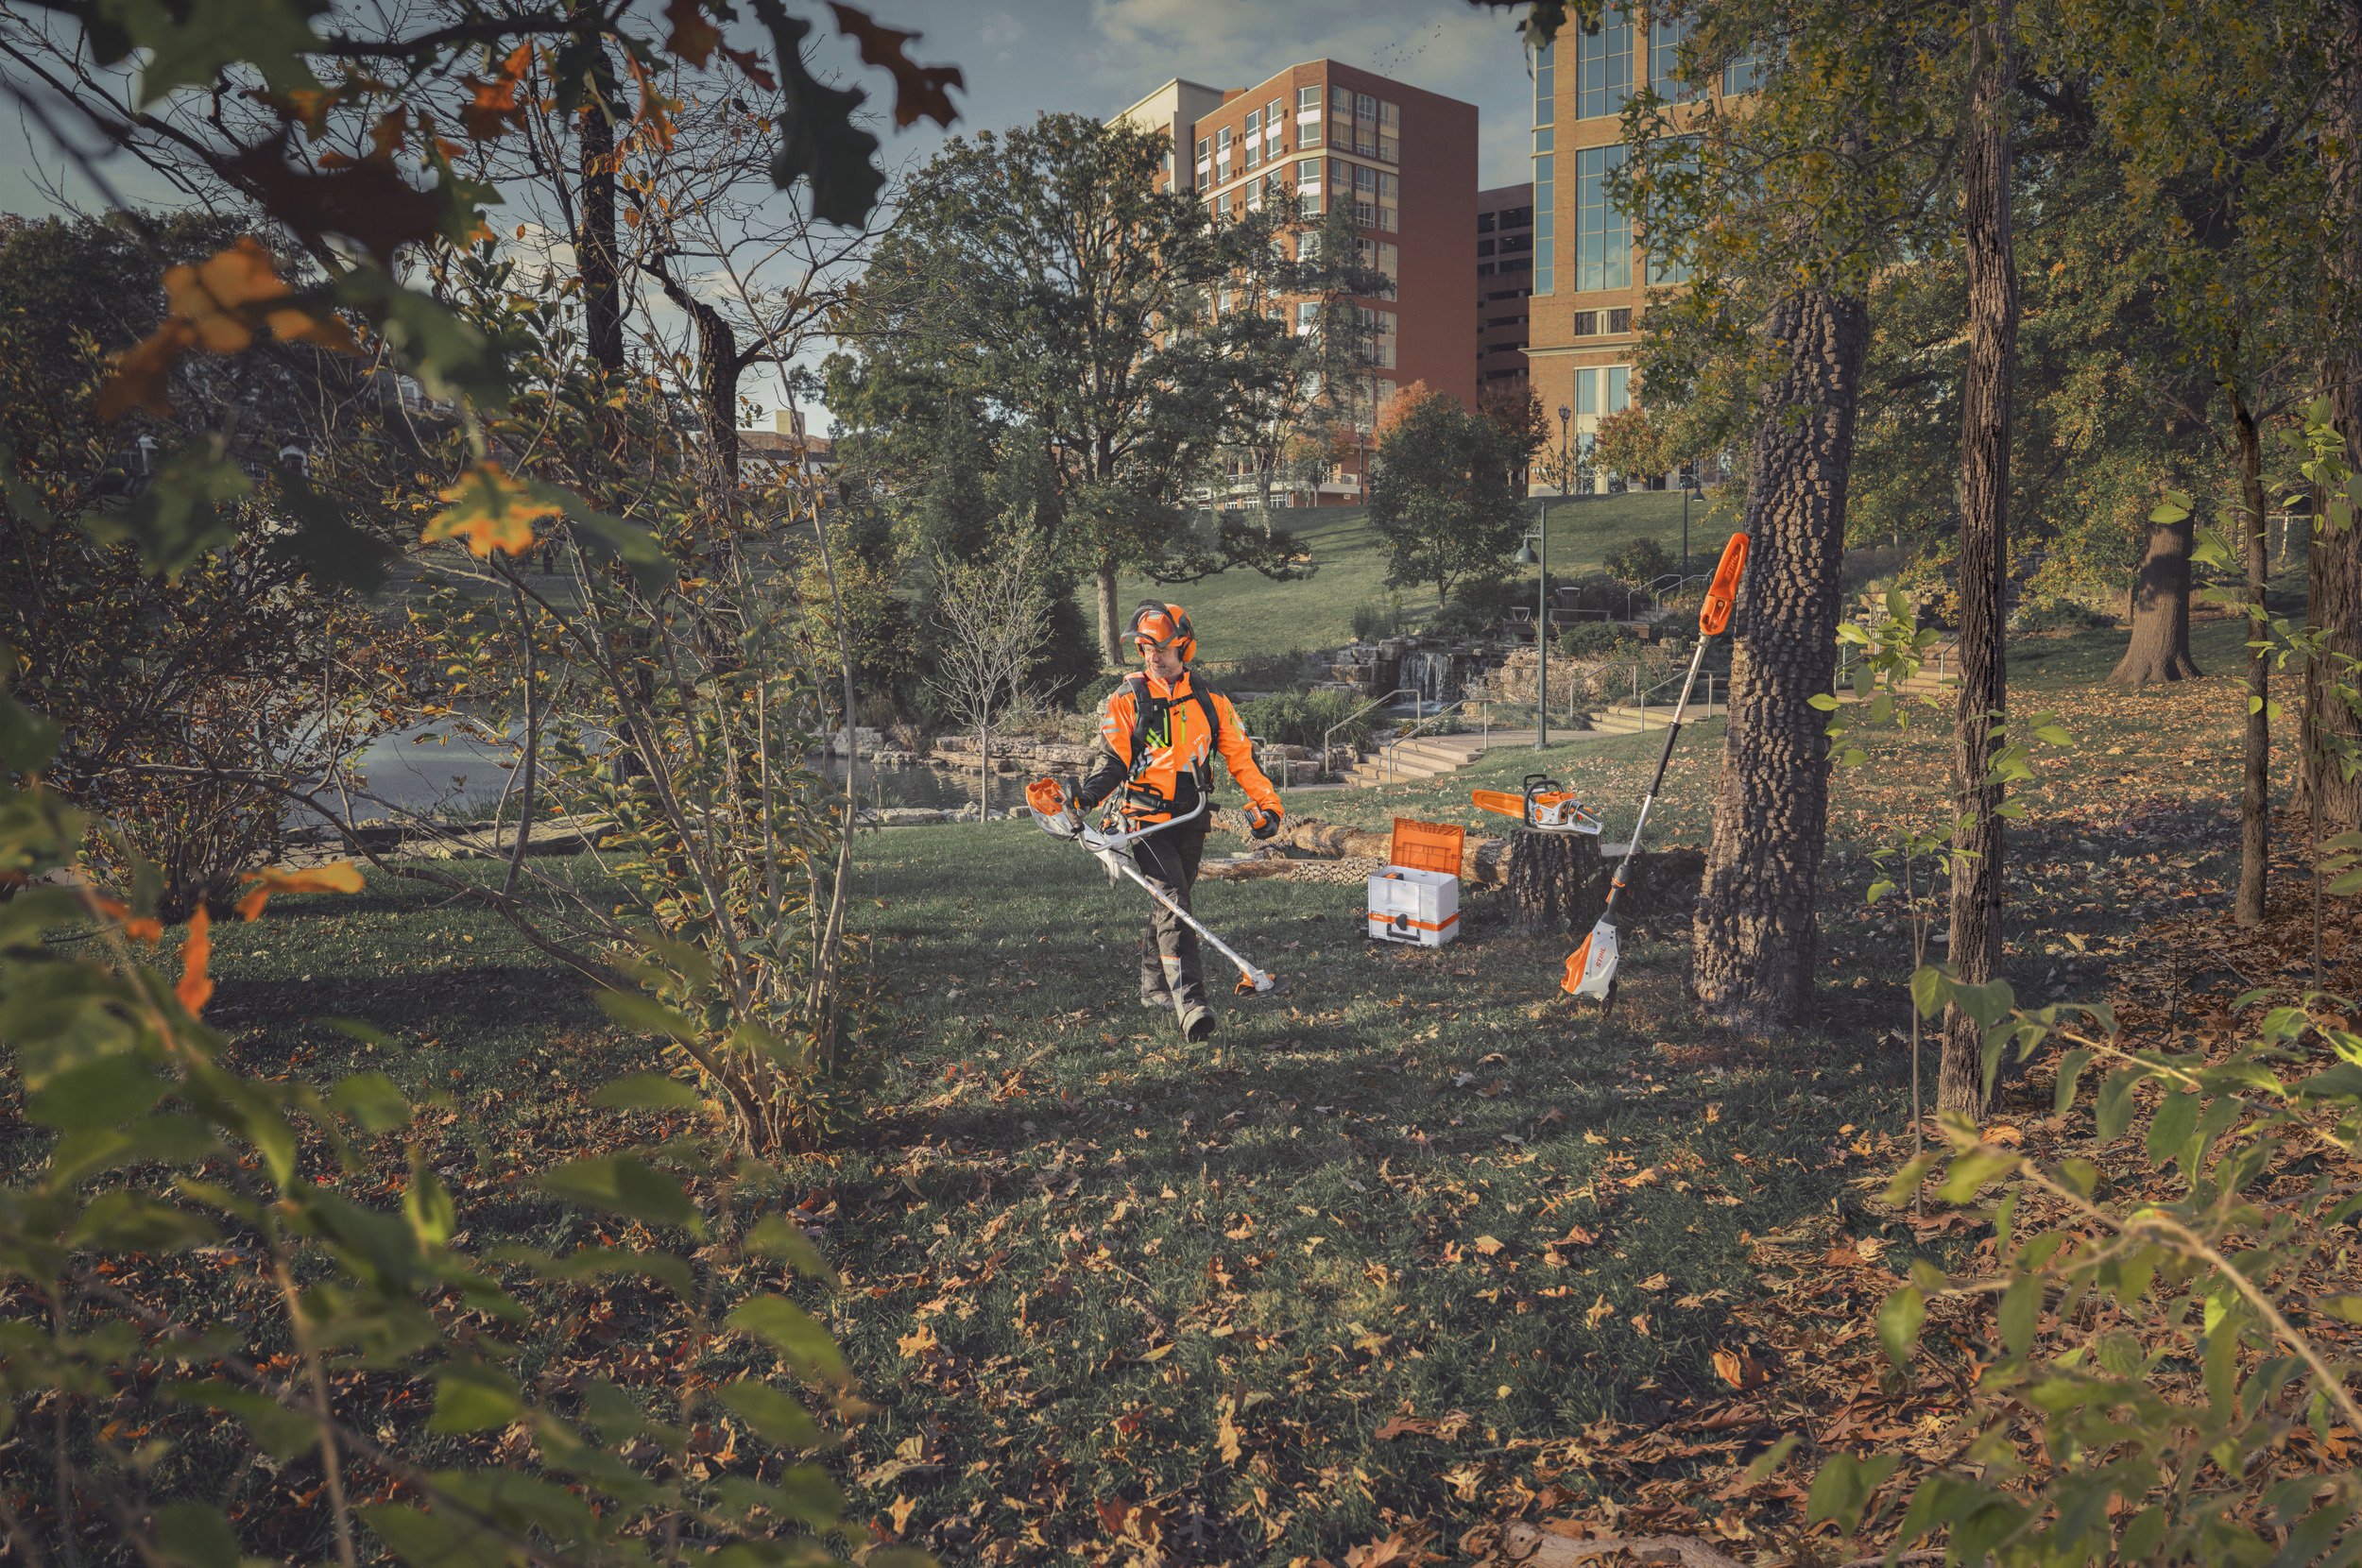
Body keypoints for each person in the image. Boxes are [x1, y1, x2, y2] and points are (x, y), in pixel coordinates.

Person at [1075, 602, 1283, 1041]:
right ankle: (1190, 1004)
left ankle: (1153, 984)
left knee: (1171, 901)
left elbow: (1242, 760)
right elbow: (1112, 761)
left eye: (1162, 648)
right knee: (1175, 902)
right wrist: (1087, 798)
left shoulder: (1211, 702)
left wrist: (1269, 807)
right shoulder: (1128, 699)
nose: (1153, 656)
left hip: (1191, 816)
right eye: (1147, 648)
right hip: (1143, 820)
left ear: (1184, 646)